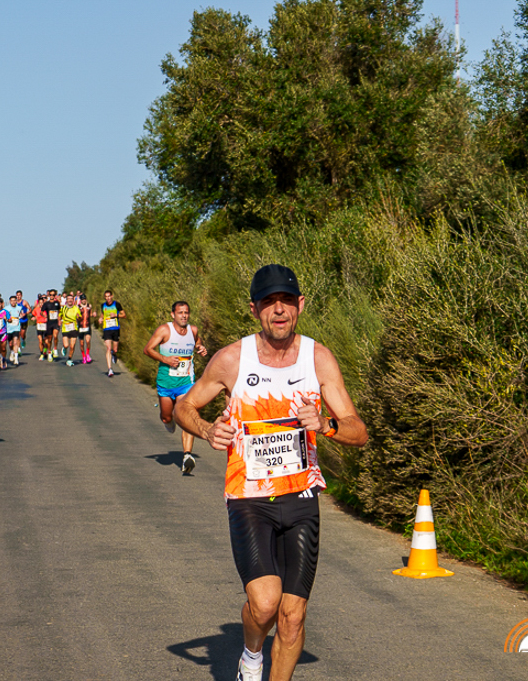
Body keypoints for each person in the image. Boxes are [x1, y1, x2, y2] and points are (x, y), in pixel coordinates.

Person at [175, 264, 369, 681]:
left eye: (286, 300)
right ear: (254, 309)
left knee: (293, 616)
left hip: (302, 498)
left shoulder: (318, 358)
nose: (278, 310)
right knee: (265, 605)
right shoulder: (232, 359)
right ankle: (251, 654)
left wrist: (326, 425)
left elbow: (358, 430)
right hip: (249, 499)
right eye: (268, 302)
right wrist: (207, 430)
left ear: (300, 305)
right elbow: (184, 407)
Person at [143, 300, 208, 475]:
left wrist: (200, 347)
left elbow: (197, 341)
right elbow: (147, 349)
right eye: (180, 312)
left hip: (186, 382)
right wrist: (165, 359)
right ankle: (169, 420)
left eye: (186, 312)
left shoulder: (193, 330)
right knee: (166, 417)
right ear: (173, 314)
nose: (184, 316)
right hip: (166, 382)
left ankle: (187, 456)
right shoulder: (165, 330)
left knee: (187, 416)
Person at [95, 289, 126, 377]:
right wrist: (100, 319)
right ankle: (110, 369)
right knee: (108, 348)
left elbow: (124, 315)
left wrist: (116, 315)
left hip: (115, 329)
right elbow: (102, 314)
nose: (108, 298)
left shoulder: (117, 304)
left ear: (112, 296)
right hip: (107, 329)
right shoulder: (103, 305)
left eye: (109, 296)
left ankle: (114, 354)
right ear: (105, 297)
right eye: (106, 297)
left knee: (115, 349)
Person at [59, 293, 83, 366]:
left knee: (72, 346)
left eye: (71, 299)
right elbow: (59, 316)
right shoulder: (63, 308)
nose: (70, 300)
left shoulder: (76, 308)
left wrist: (79, 317)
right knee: (66, 345)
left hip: (73, 328)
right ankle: (64, 348)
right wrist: (59, 321)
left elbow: (80, 318)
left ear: (73, 300)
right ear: (66, 300)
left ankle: (69, 359)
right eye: (68, 299)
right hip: (65, 328)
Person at [42, 289, 61, 362]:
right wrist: (45, 316)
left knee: (55, 336)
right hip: (49, 323)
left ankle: (55, 348)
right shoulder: (46, 304)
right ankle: (49, 352)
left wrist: (59, 318)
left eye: (53, 295)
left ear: (55, 295)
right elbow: (41, 312)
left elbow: (60, 311)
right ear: (49, 295)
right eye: (51, 295)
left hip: (55, 322)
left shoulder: (57, 303)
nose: (52, 296)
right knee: (49, 339)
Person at [5, 295, 24, 366]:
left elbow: (22, 314)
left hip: (16, 328)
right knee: (10, 343)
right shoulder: (6, 309)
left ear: (16, 301)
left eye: (14, 300)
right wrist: (7, 319)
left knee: (15, 342)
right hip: (9, 328)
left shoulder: (19, 308)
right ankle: (12, 352)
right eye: (11, 301)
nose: (13, 302)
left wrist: (21, 316)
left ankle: (16, 358)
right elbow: (4, 316)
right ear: (9, 301)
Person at [77, 294, 93, 364]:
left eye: (84, 299)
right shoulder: (78, 307)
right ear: (80, 300)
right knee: (81, 344)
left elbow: (91, 314)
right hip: (80, 327)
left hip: (87, 326)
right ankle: (83, 356)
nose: (84, 300)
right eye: (82, 299)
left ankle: (87, 354)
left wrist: (94, 314)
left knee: (88, 341)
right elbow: (76, 316)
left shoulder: (89, 306)